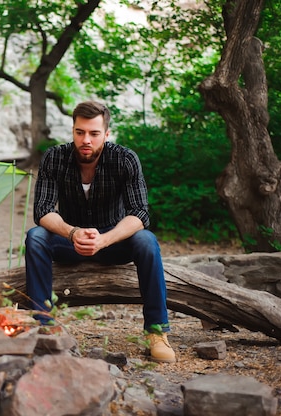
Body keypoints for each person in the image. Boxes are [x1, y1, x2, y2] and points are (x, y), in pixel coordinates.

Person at [25, 100, 176, 363]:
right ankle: (44, 325)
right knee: (35, 237)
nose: (86, 140)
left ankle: (156, 332)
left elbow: (140, 213)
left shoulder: (125, 159)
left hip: (112, 241)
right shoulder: (54, 157)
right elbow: (42, 210)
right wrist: (72, 233)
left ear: (106, 134)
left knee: (146, 241)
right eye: (79, 132)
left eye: (94, 134)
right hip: (69, 239)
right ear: (72, 131)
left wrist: (104, 239)